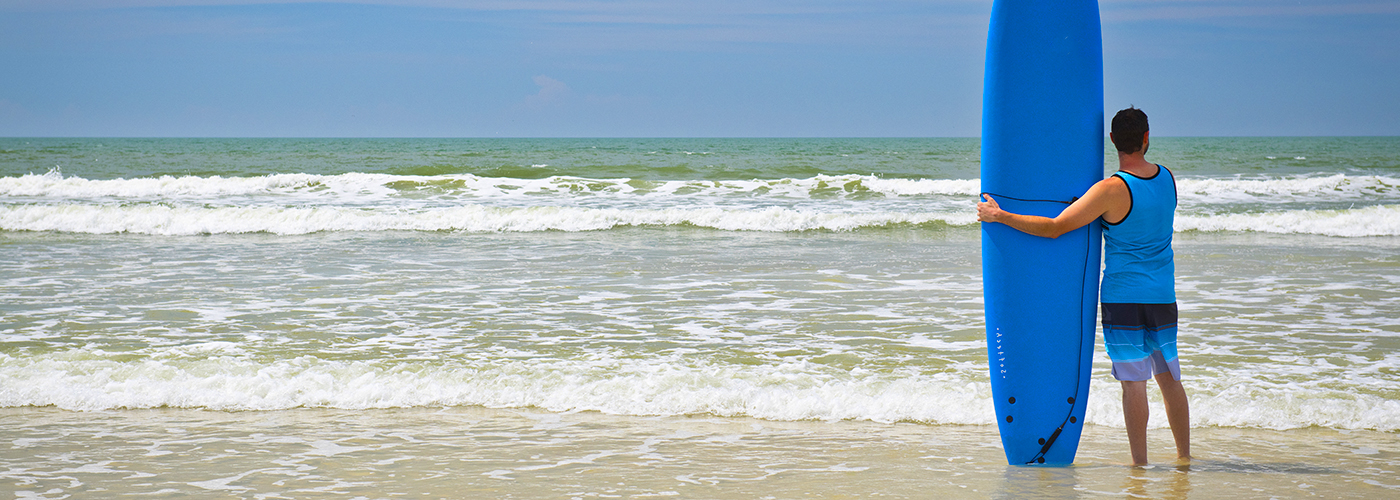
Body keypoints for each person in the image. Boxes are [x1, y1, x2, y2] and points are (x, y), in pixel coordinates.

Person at [976, 107, 1190, 466]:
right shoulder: (1167, 179)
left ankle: (1140, 464)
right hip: (1162, 295)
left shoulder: (1110, 190)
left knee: (1133, 382)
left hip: (1123, 298)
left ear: (1112, 141)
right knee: (1169, 377)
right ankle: (1185, 456)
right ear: (1146, 137)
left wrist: (1001, 216)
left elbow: (1056, 227)